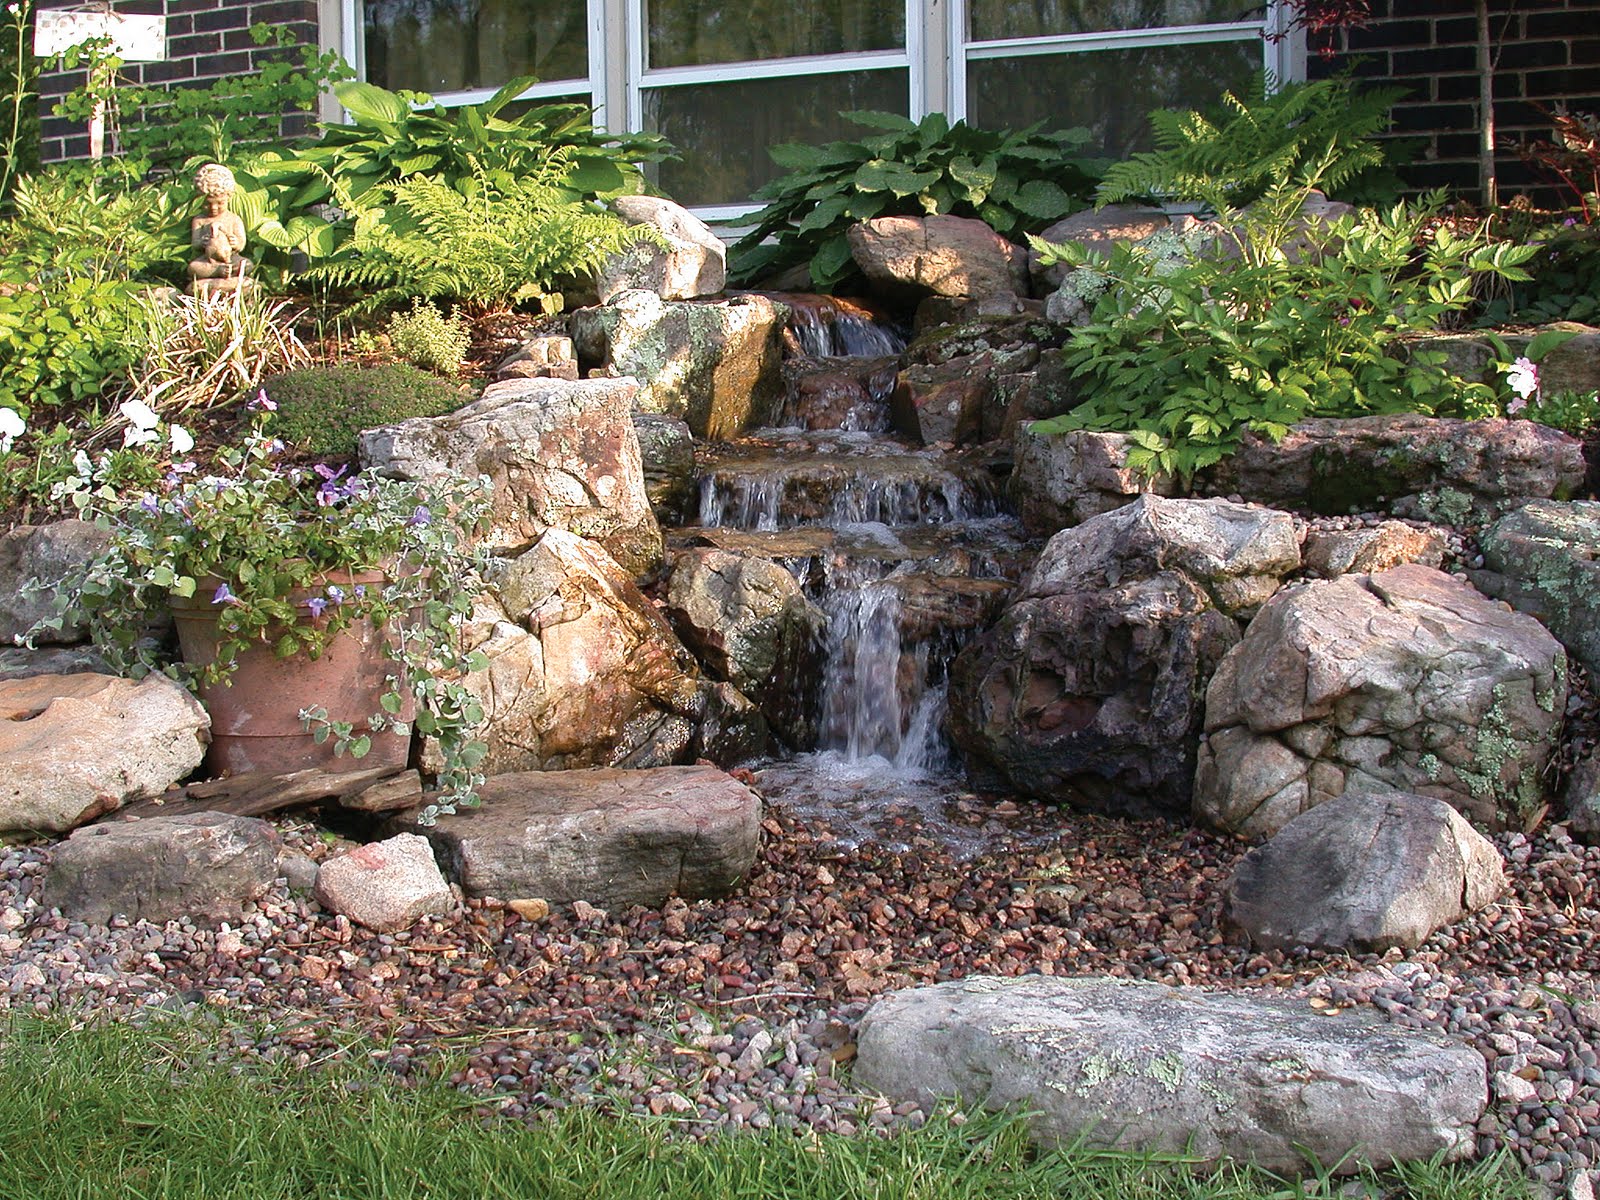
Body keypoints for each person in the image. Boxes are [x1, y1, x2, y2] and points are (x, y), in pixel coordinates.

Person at [187, 163, 253, 296]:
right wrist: (202, 243)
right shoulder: (199, 221)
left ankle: (227, 278)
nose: (214, 208)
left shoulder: (234, 219)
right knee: (193, 268)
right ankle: (217, 272)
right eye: (207, 204)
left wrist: (236, 243)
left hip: (231, 259)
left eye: (220, 203)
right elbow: (195, 244)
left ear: (229, 197)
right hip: (208, 262)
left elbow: (241, 244)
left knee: (246, 265)